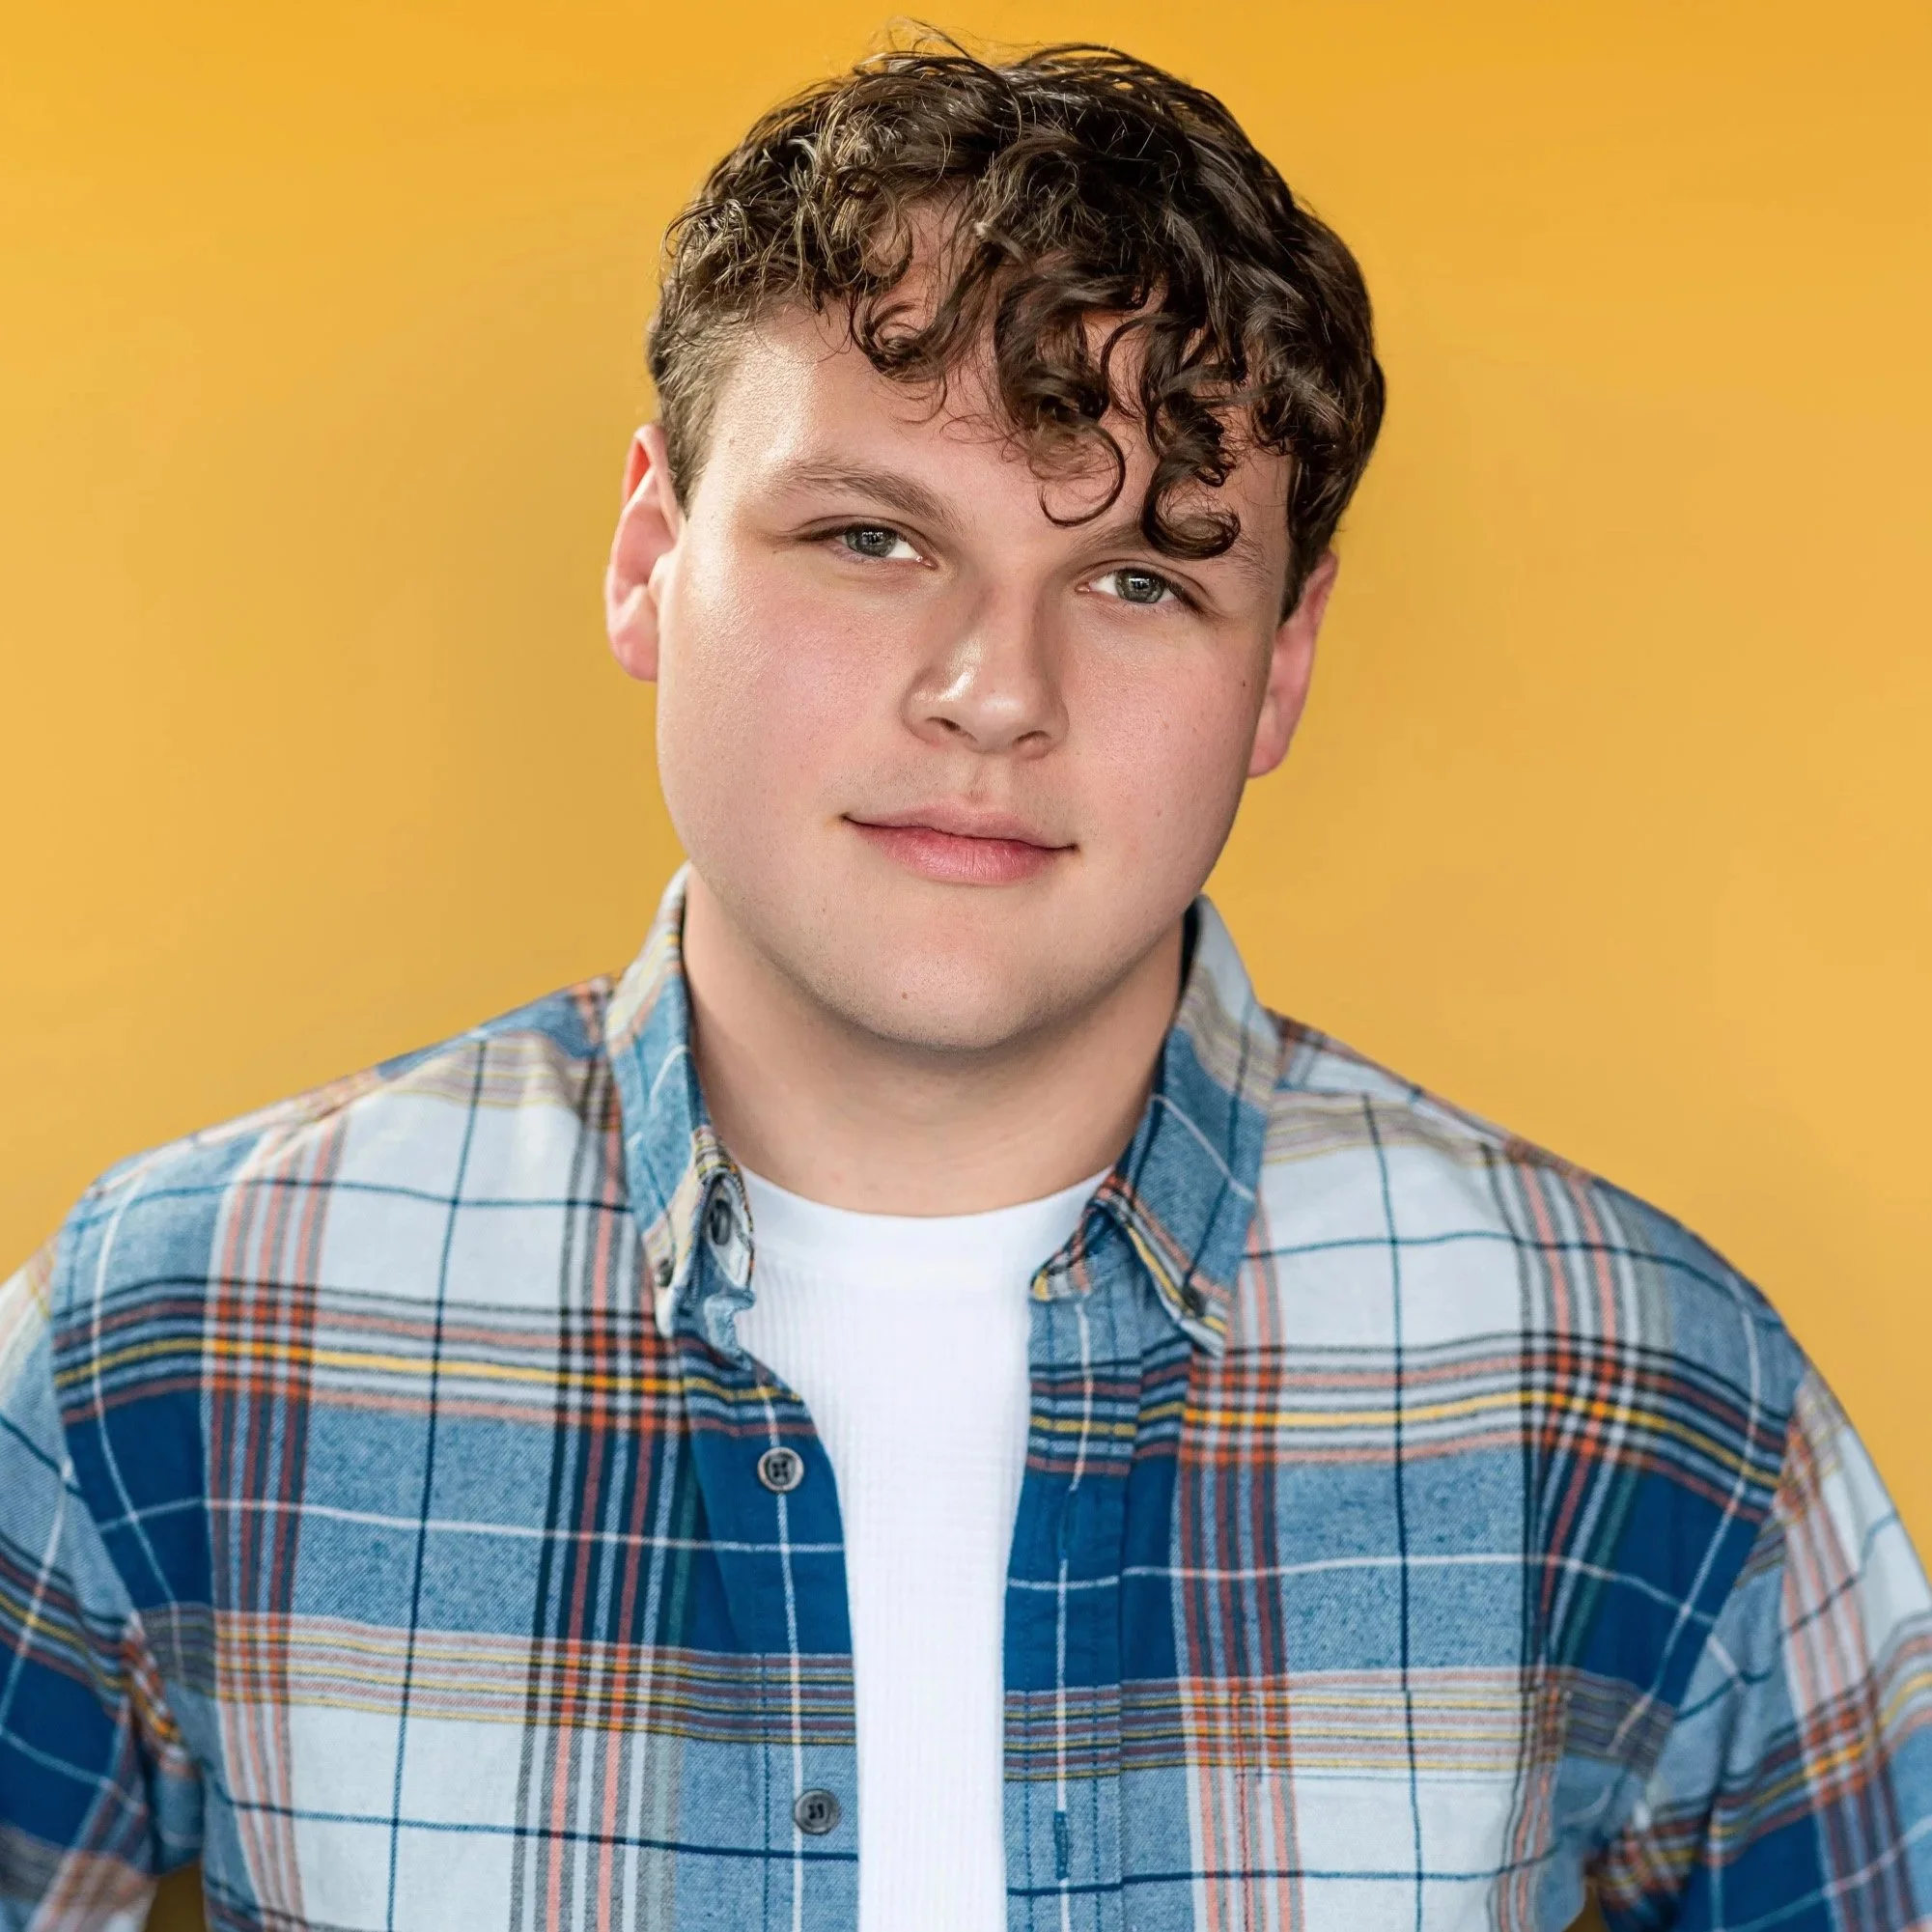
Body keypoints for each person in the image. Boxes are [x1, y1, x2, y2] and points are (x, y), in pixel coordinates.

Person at [1, 38, 1925, 1932]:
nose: (993, 690)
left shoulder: (1642, 1395)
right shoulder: (166, 1343)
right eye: (870, 538)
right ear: (649, 551)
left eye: (1139, 581)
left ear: (1279, 661)